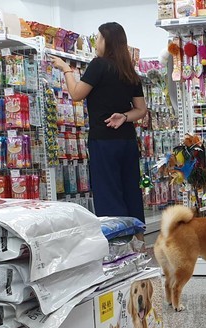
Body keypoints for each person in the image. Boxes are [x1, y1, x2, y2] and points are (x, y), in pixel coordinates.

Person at [50, 22, 147, 228]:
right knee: (131, 189)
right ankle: (137, 240)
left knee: (108, 192)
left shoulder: (99, 65)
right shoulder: (129, 70)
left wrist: (66, 69)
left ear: (107, 41)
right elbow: (141, 109)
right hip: (127, 141)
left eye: (99, 38)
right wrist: (123, 116)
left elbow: (76, 94)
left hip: (104, 139)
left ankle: (116, 245)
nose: (97, 43)